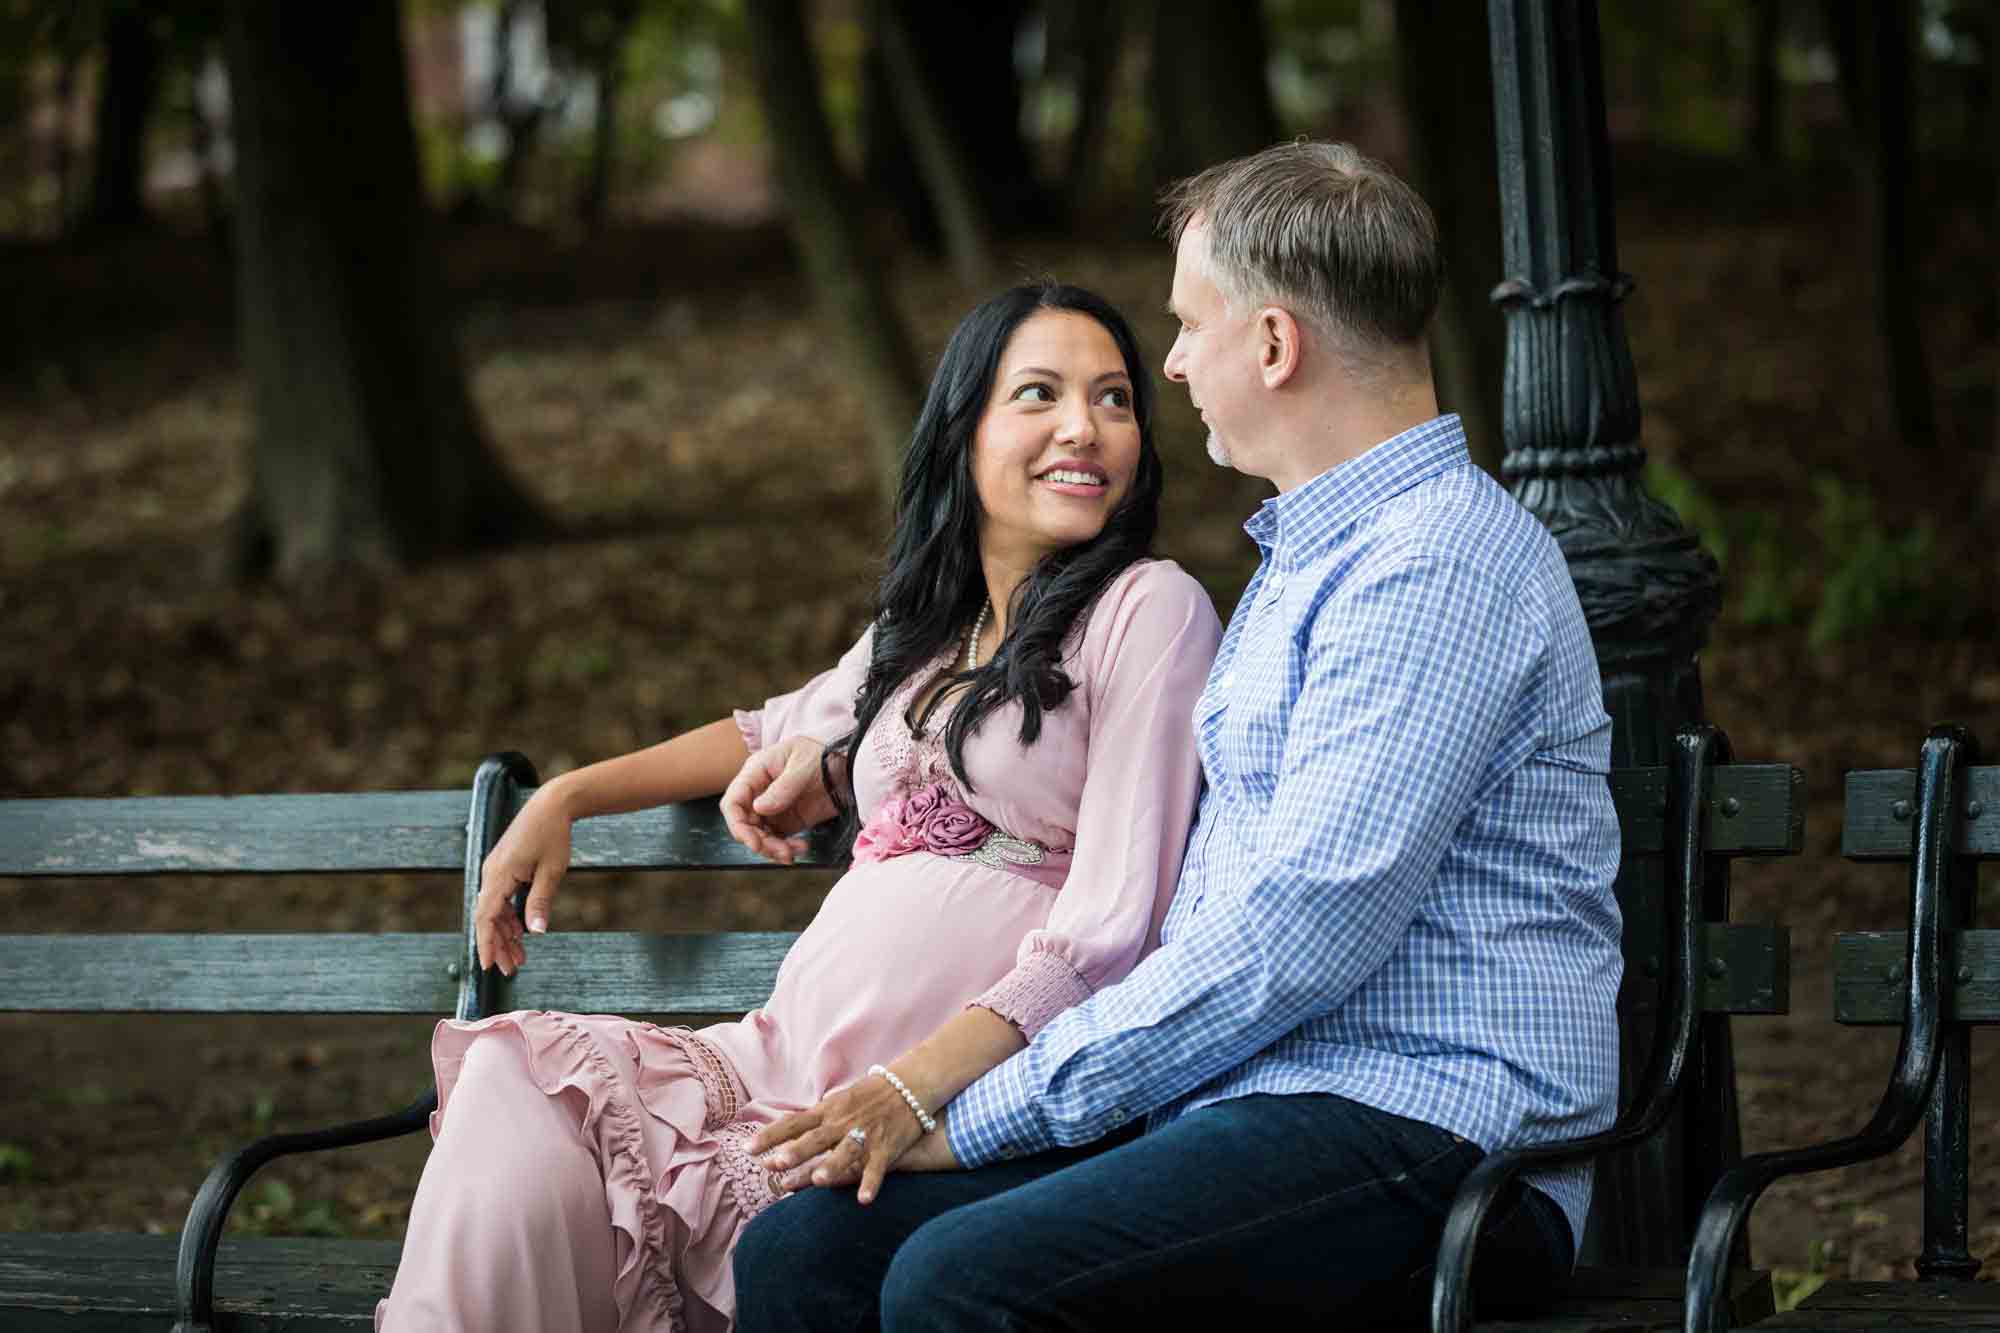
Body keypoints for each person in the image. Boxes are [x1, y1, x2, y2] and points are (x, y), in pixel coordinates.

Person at [732, 142, 1625, 1328]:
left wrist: (983, 1107)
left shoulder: (1433, 565)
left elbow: (1296, 936)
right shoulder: (1314, 562)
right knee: (806, 1250)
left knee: (961, 1281)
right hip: (1249, 1101)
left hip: (1428, 1127)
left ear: (1270, 344)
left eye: (1188, 324)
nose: (1172, 362)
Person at [373, 282, 1223, 1333]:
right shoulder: (922, 630)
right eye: (1039, 394)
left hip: (940, 1096)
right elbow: (763, 726)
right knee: (515, 1083)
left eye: (1113, 399)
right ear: (962, 432)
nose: (1082, 428)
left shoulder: (1147, 609)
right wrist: (570, 793)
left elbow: (1113, 927)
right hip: (782, 1055)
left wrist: (911, 1087)